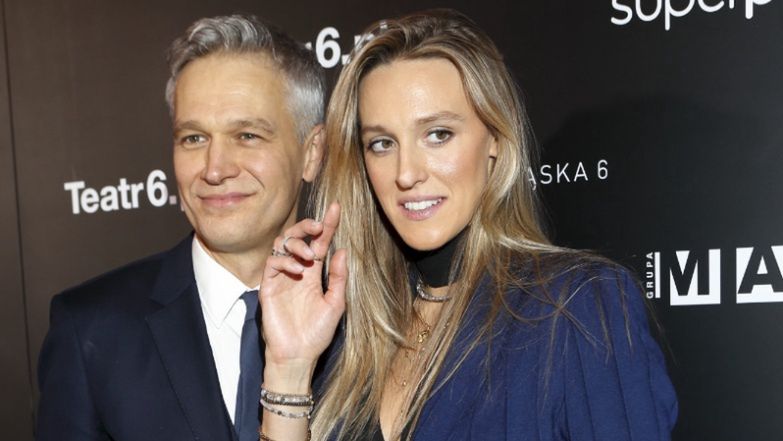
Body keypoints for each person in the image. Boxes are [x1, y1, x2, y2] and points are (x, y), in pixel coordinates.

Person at [256, 8, 677, 441]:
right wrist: (290, 368)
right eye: (381, 143)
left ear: (494, 138)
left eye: (438, 134)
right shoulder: (350, 333)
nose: (406, 173)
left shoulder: (576, 309)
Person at [35, 15, 328, 441]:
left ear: (312, 153)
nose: (214, 169)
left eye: (246, 135)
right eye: (194, 138)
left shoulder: (373, 320)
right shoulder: (91, 330)